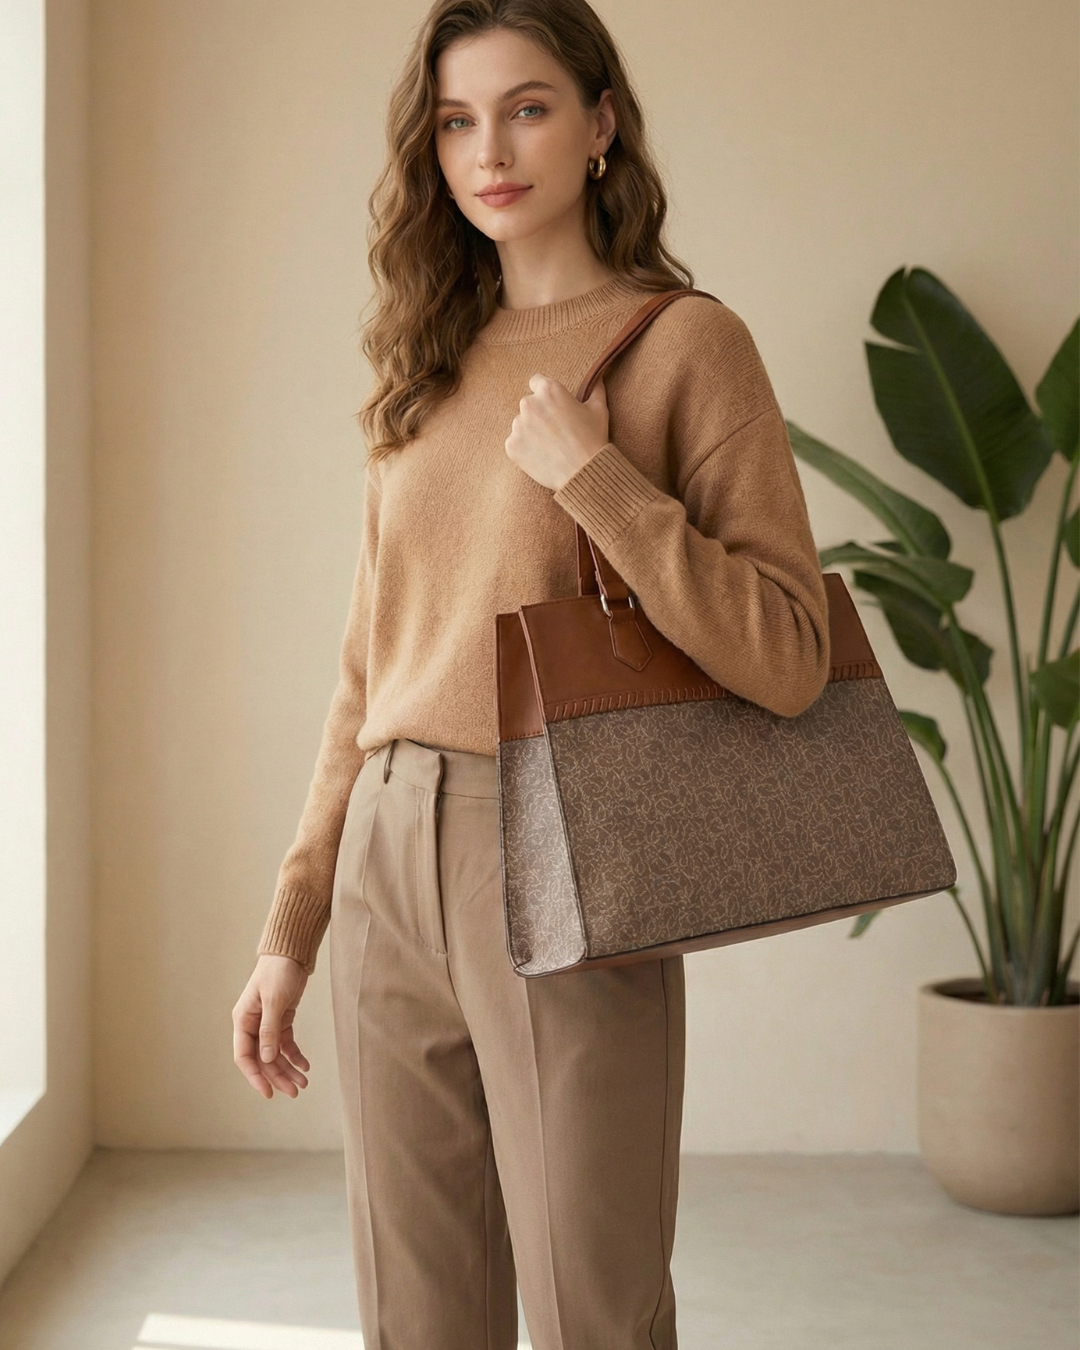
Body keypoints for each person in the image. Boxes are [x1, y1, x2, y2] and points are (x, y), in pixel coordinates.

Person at [232, 1, 828, 1346]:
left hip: (565, 843)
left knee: (591, 1307)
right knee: (415, 1311)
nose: (488, 149)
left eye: (528, 106)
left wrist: (601, 483)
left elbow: (789, 653)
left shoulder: (687, 345)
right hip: (390, 845)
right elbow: (363, 672)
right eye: (455, 120)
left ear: (602, 122)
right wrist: (291, 925)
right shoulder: (425, 366)